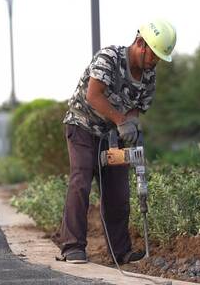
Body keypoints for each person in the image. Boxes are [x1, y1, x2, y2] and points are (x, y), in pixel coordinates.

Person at [58, 19, 177, 264]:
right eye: (153, 55)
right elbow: (93, 95)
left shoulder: (149, 75)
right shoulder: (109, 57)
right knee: (81, 179)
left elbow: (136, 107)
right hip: (82, 124)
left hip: (113, 133)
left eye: (159, 58)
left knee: (118, 191)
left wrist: (130, 123)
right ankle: (73, 247)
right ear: (140, 43)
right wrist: (121, 119)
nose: (155, 62)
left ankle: (120, 252)